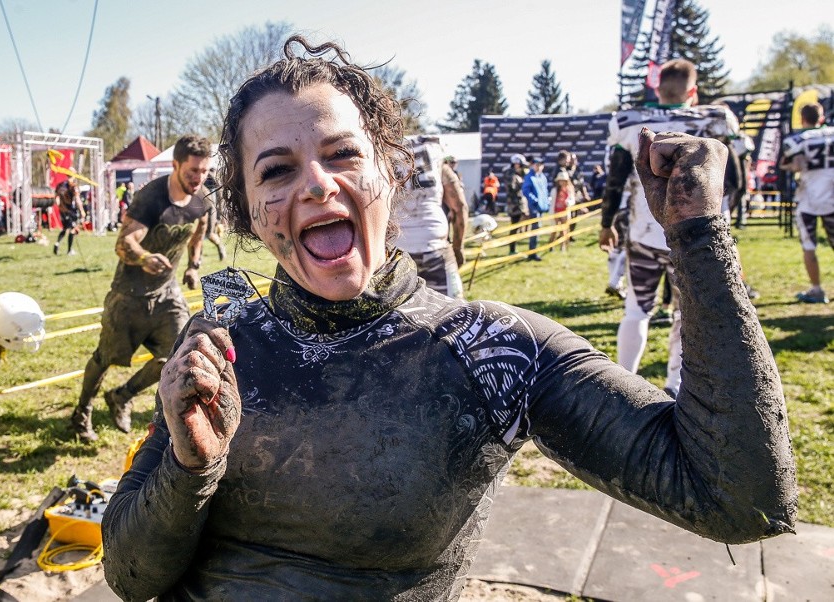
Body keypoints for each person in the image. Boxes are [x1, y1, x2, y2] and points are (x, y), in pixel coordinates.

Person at [102, 36, 796, 602]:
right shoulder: (221, 347)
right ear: (250, 210)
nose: (316, 183)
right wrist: (192, 464)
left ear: (392, 173)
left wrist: (698, 237)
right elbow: (131, 576)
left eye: (343, 154)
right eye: (277, 170)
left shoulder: (493, 352)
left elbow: (739, 501)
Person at [600, 58, 741, 398]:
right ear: (693, 91)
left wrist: (606, 223)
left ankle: (624, 386)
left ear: (657, 88)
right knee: (685, 314)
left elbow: (615, 178)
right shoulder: (713, 119)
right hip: (692, 234)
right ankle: (674, 386)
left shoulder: (630, 121)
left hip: (645, 230)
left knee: (636, 308)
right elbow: (735, 178)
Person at [70, 135, 212, 443]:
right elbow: (124, 243)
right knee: (105, 357)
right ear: (175, 165)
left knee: (178, 354)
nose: (198, 179)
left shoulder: (202, 199)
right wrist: (145, 257)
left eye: (203, 171)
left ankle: (122, 395)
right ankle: (81, 412)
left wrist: (193, 265)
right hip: (129, 296)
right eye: (192, 171)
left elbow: (199, 230)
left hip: (167, 294)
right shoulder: (152, 198)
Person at [393, 135, 468, 298]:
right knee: (452, 311)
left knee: (399, 315)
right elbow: (460, 206)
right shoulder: (437, 161)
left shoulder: (384, 161)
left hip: (396, 250)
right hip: (435, 245)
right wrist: (458, 247)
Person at [780, 102, 834, 304]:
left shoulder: (797, 139)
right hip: (832, 196)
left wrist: (794, 166)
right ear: (821, 117)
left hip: (808, 198)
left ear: (802, 119)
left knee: (809, 246)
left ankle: (817, 289)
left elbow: (786, 164)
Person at [522, 155, 549, 261]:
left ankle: (534, 250)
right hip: (534, 207)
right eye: (537, 165)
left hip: (541, 207)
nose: (539, 167)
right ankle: (532, 252)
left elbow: (545, 191)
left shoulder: (542, 177)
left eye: (541, 165)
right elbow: (526, 191)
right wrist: (534, 200)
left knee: (538, 229)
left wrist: (546, 202)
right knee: (535, 229)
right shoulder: (529, 177)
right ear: (533, 165)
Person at [503, 153, 529, 254]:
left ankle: (513, 248)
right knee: (514, 226)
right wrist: (523, 184)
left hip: (518, 203)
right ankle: (512, 249)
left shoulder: (517, 174)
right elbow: (513, 189)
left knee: (517, 226)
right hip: (514, 204)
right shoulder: (511, 174)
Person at [53, 178, 85, 256]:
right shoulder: (73, 186)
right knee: (73, 229)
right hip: (71, 210)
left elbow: (56, 198)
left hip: (62, 210)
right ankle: (69, 250)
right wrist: (82, 211)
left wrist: (60, 207)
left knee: (65, 228)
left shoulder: (60, 185)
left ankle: (57, 243)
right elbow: (77, 199)